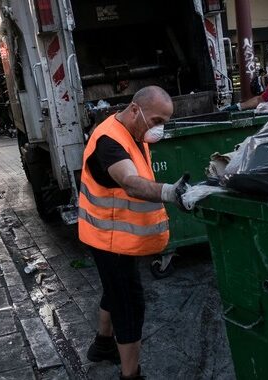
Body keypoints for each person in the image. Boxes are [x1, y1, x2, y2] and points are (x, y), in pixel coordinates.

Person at [79, 86, 190, 380]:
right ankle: (131, 374)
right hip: (110, 237)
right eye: (156, 121)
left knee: (114, 289)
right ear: (133, 109)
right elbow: (129, 182)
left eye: (164, 122)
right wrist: (170, 192)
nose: (159, 129)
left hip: (113, 234)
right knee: (128, 303)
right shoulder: (109, 141)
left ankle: (103, 345)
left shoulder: (132, 132)